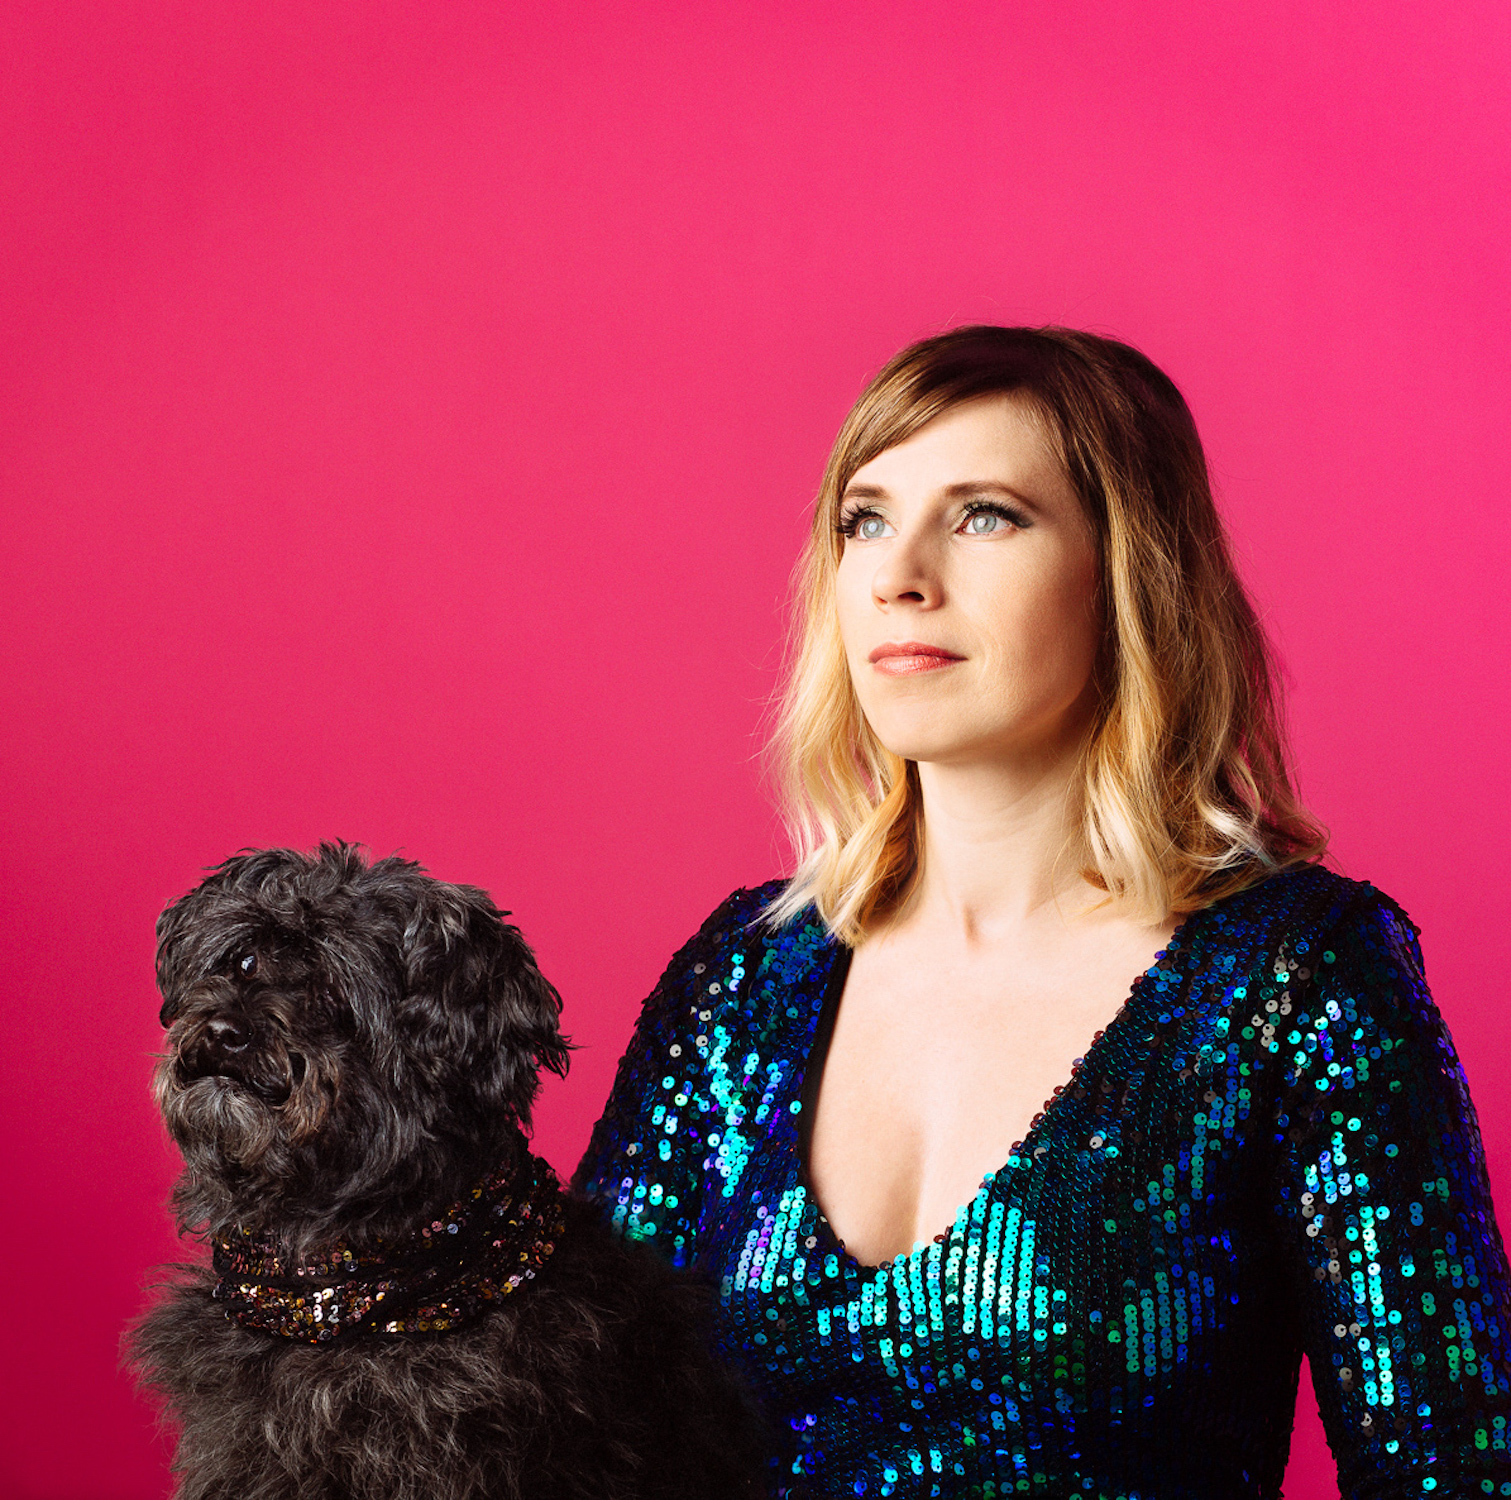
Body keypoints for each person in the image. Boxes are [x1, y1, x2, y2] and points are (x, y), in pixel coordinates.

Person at [572, 326, 1511, 1498]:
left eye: (983, 517)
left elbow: (1451, 1467)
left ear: (1126, 575)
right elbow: (574, 1425)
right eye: (864, 519)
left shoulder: (1292, 979)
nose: (898, 575)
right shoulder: (739, 980)